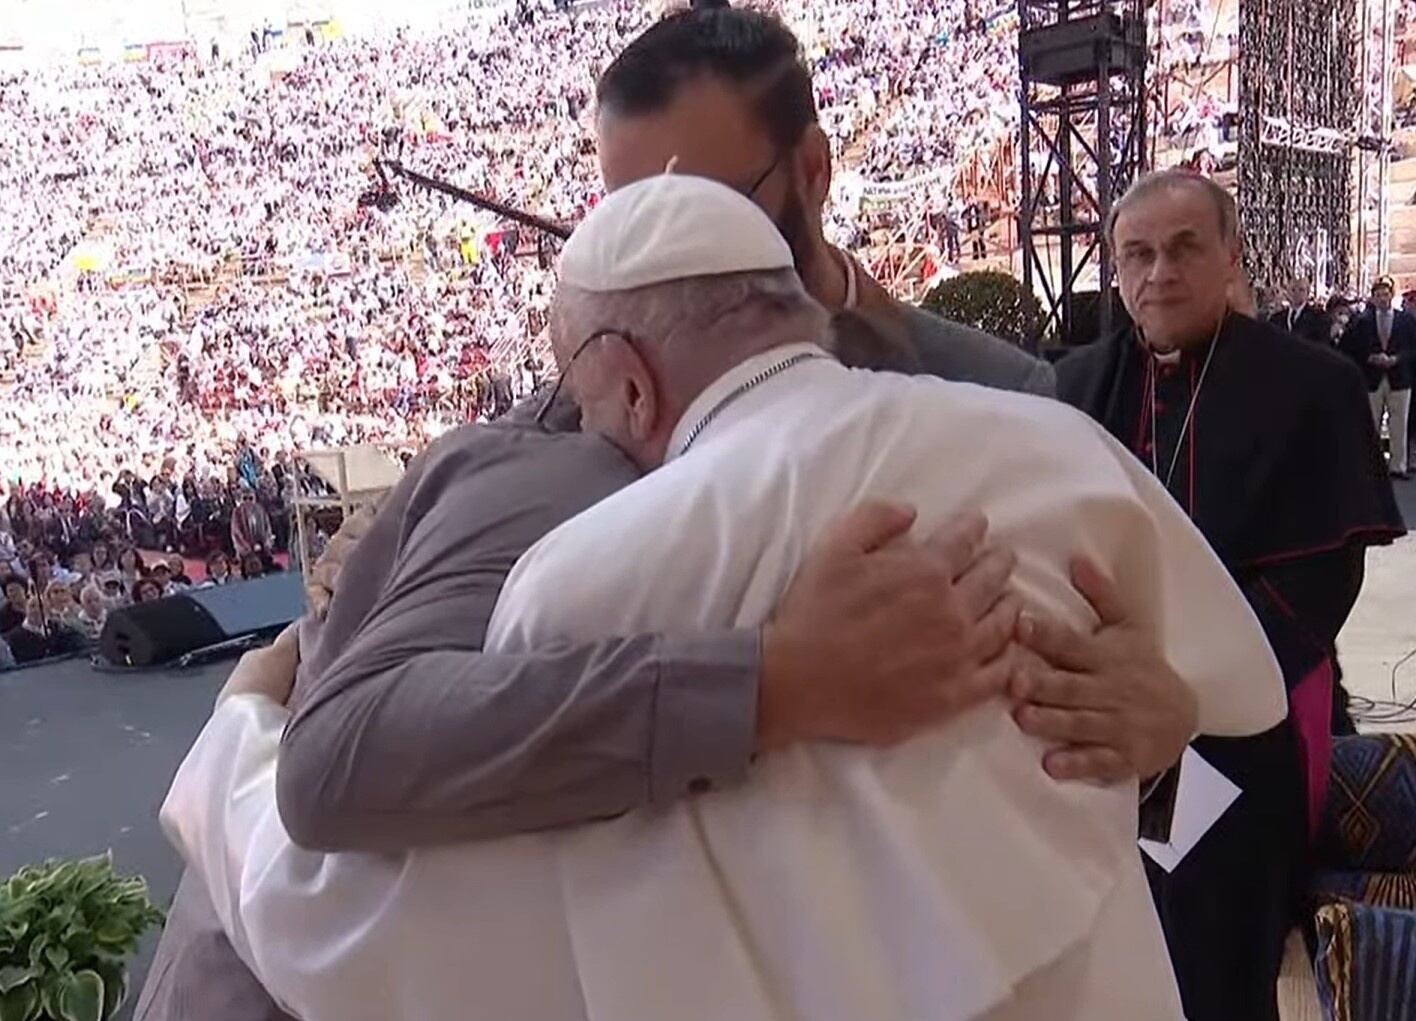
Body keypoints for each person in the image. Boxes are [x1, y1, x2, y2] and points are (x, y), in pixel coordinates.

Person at [160, 174, 1284, 1021]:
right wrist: (1167, 746)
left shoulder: (587, 576)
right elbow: (1210, 754)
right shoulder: (1061, 452)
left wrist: (233, 743)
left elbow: (368, 922)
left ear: (631, 379)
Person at [1055, 169, 1405, 1020]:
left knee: (1214, 963)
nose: (1158, 273)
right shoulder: (1078, 387)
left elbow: (1319, 582)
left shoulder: (1310, 386)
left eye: (1184, 249)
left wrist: (1183, 690)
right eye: (1136, 255)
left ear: (1231, 256)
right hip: (1099, 733)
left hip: (1245, 733)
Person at [591, 6, 1054, 395]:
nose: (663, 261)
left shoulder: (996, 390)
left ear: (814, 169)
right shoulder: (604, 427)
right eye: (632, 224)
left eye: (709, 210)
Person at [1341, 277, 1416, 478]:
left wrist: (1396, 358)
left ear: (1392, 296)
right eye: (1378, 295)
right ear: (1373, 298)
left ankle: (1397, 466)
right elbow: (1352, 347)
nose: (1383, 299)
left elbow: (1412, 348)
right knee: (1370, 423)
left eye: (1386, 295)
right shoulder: (1362, 321)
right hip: (1372, 377)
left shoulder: (1406, 320)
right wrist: (1370, 357)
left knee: (1399, 423)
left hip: (1399, 377)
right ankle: (1371, 467)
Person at [4, 593, 86, 664]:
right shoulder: (14, 637)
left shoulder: (58, 628)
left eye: (41, 606)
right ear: (25, 609)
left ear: (47, 609)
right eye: (32, 606)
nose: (36, 610)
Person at [1267, 275, 1328, 345]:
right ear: (1287, 291)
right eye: (1293, 289)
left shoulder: (1318, 318)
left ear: (1307, 293)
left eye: (1301, 290)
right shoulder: (1276, 319)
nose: (1296, 293)